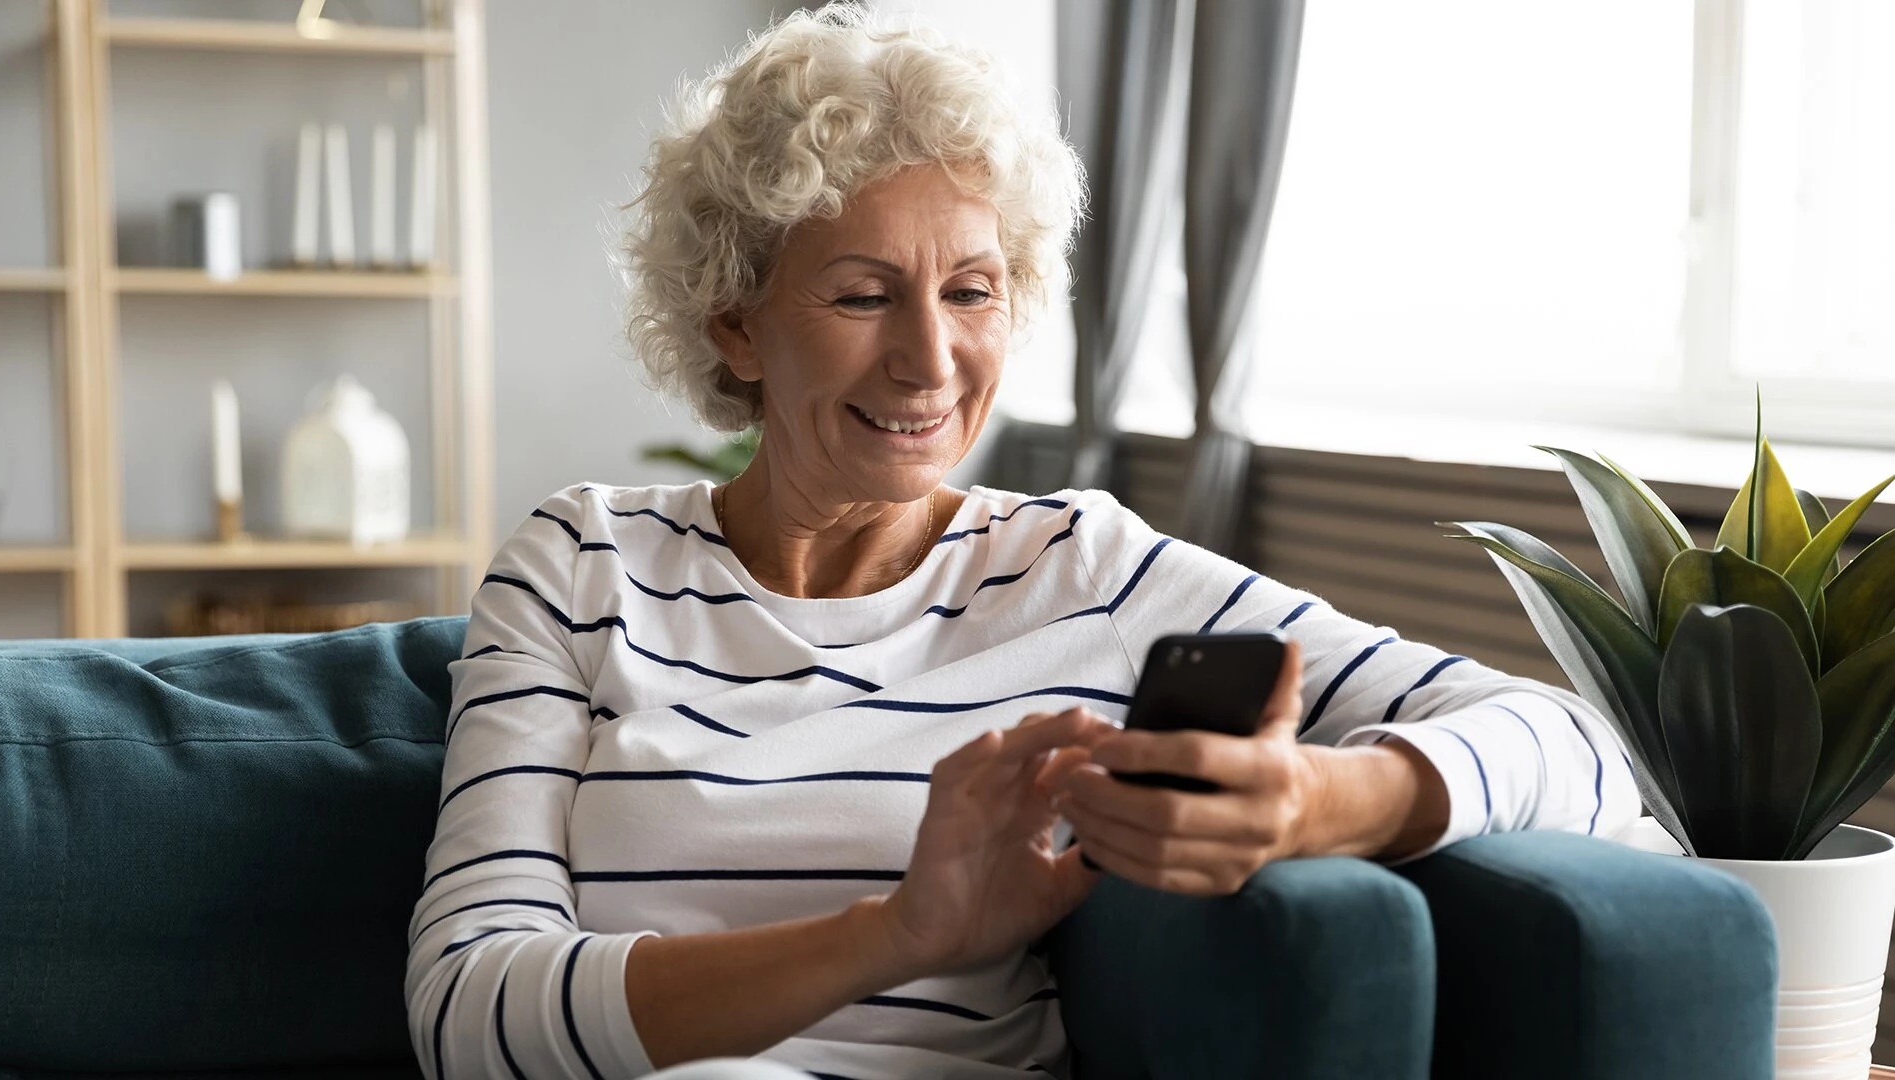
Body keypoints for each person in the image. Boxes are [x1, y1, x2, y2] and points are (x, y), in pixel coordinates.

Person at [405, 6, 1641, 1078]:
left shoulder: (1083, 572)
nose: (931, 362)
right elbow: (468, 1011)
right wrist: (895, 935)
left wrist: (1314, 798)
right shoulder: (583, 565)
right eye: (862, 293)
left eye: (972, 290)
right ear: (736, 326)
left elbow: (1583, 746)